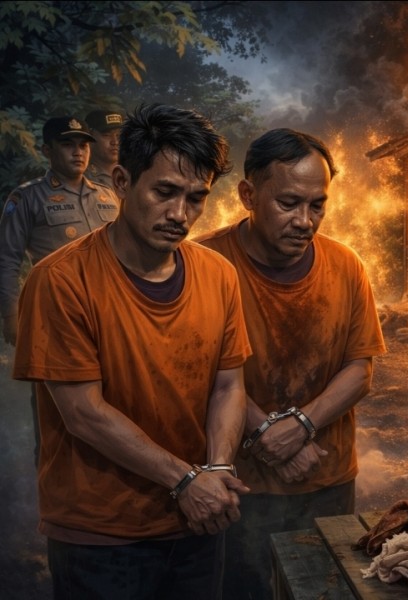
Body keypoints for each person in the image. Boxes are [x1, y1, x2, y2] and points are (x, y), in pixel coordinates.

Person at [12, 103, 252, 599]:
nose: (180, 214)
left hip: (197, 521)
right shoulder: (60, 280)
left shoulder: (218, 275)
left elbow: (228, 385)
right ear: (122, 181)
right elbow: (83, 413)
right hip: (100, 534)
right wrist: (187, 481)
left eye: (196, 198)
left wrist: (220, 471)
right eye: (164, 192)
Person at [195, 128, 387, 600]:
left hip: (328, 478)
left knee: (328, 589)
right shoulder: (202, 262)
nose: (305, 220)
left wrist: (300, 426)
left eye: (317, 205)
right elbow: (196, 372)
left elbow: (360, 368)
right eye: (288, 203)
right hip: (237, 486)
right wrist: (267, 435)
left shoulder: (346, 266)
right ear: (248, 194)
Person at [0, 116, 119, 346]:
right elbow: (7, 260)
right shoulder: (27, 197)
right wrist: (11, 316)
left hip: (111, 309)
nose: (78, 152)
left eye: (83, 145)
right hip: (58, 313)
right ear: (47, 150)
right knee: (59, 380)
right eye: (67, 145)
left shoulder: (109, 195)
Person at [84, 108, 125, 187]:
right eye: (107, 135)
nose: (115, 142)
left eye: (119, 135)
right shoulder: (80, 177)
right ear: (90, 137)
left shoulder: (132, 172)